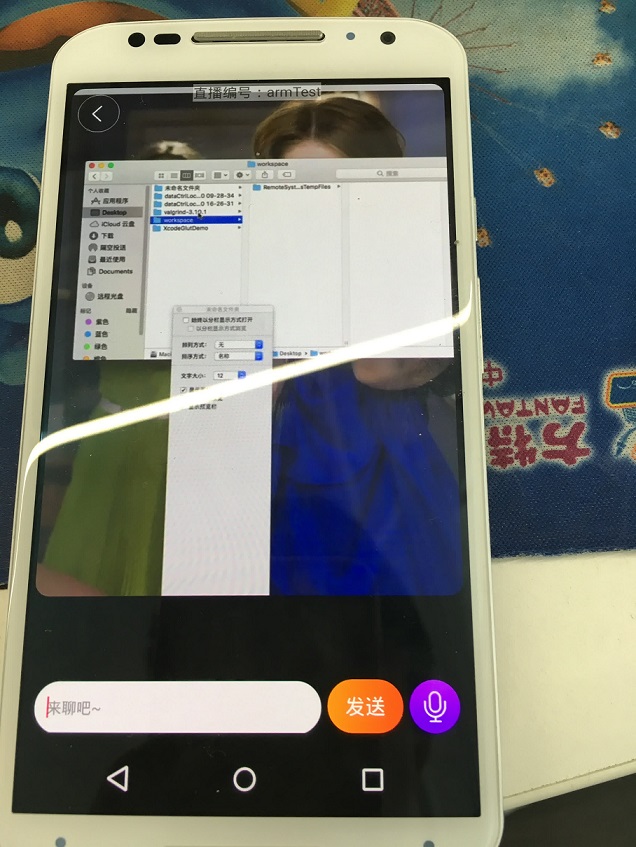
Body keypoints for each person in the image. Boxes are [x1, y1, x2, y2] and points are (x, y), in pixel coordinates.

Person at [255, 97, 462, 595]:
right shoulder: (267, 254)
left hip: (382, 449)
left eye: (336, 185)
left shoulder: (411, 247)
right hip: (289, 448)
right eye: (295, 187)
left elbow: (378, 368)